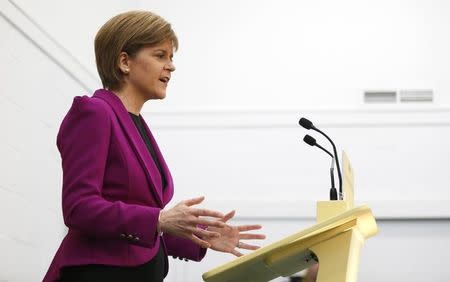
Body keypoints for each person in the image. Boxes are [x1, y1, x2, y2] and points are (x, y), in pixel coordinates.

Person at [43, 10, 265, 282]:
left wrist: (200, 237)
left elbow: (145, 225)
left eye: (171, 58)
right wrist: (158, 219)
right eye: (160, 55)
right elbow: (79, 207)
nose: (171, 66)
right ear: (125, 61)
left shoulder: (135, 123)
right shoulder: (94, 113)